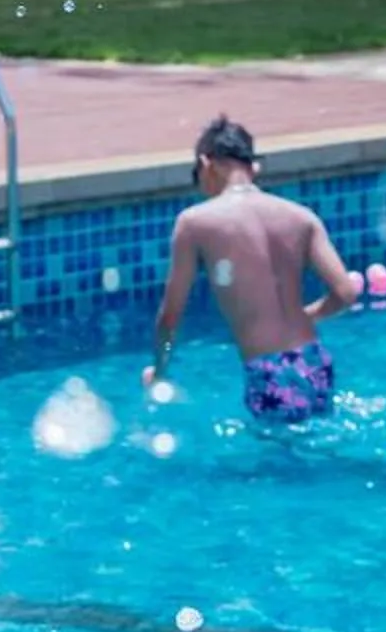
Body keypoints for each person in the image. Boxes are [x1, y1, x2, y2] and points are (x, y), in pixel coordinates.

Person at [145, 116, 362, 428]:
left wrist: (159, 371)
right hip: (314, 360)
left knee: (282, 466)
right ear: (253, 167)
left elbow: (170, 316)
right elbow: (346, 293)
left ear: (208, 164)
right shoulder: (302, 217)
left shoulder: (194, 223)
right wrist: (307, 315)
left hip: (267, 369)